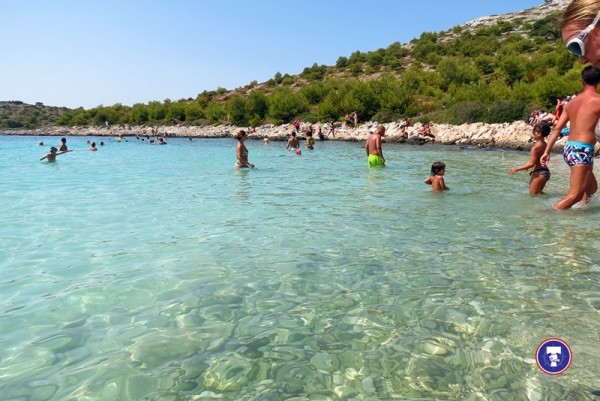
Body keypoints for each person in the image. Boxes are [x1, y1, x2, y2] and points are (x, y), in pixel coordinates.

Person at [541, 65, 600, 209]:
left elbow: (557, 129)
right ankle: (543, 215)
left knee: (591, 189)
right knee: (575, 196)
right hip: (582, 150)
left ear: (582, 81)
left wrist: (547, 151)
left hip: (570, 148)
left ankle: (577, 219)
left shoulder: (571, 103)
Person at [507, 123, 552, 196]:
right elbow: (539, 159)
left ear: (539, 134)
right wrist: (527, 166)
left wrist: (517, 168)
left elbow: (531, 163)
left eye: (534, 132)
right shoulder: (546, 145)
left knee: (533, 196)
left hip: (539, 173)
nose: (532, 134)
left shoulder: (535, 148)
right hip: (546, 172)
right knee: (540, 195)